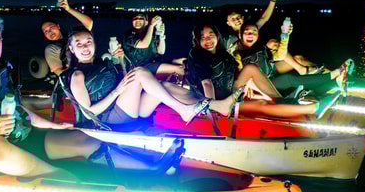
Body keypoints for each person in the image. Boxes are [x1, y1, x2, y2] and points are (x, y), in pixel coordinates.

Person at [0, 15, 176, 179]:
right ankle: (60, 177)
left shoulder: (5, 70)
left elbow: (20, 111)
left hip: (23, 138)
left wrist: (54, 126)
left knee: (83, 138)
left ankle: (151, 169)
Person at [64, 27, 241, 129]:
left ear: (94, 43)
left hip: (126, 107)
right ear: (71, 49)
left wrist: (120, 61)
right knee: (140, 72)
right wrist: (117, 92)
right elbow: (89, 112)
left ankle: (217, 106)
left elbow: (125, 80)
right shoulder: (77, 75)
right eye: (79, 44)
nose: (85, 47)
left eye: (88, 42)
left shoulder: (100, 63)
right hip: (109, 117)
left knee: (164, 86)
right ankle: (183, 109)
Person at [188, 23, 342, 119]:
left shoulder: (223, 53)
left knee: (251, 68)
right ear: (197, 40)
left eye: (210, 35)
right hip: (219, 101)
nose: (208, 40)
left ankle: (285, 101)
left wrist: (285, 36)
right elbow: (207, 83)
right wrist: (214, 108)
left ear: (217, 36)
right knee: (262, 103)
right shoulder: (199, 56)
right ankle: (314, 108)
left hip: (233, 90)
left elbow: (237, 74)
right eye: (203, 37)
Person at [237, 20, 352, 97]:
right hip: (258, 84)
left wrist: (285, 35)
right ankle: (333, 75)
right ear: (240, 35)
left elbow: (281, 55)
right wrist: (247, 86)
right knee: (287, 79)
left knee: (297, 60)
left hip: (269, 77)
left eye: (254, 32)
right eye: (247, 32)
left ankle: (334, 81)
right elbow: (238, 73)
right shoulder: (237, 52)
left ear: (258, 35)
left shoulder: (261, 48)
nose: (250, 34)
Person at [122, 13, 185, 80]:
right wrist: (151, 25)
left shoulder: (150, 34)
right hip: (141, 67)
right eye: (135, 18)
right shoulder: (129, 35)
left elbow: (161, 51)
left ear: (146, 22)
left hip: (154, 63)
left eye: (141, 18)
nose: (138, 20)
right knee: (179, 69)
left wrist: (161, 36)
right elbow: (144, 44)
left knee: (184, 61)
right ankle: (182, 84)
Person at [40, 0, 94, 76]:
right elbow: (59, 72)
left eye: (51, 27)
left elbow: (89, 23)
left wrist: (68, 9)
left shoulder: (72, 36)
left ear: (58, 26)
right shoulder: (51, 49)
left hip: (91, 70)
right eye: (46, 31)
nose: (50, 32)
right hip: (75, 77)